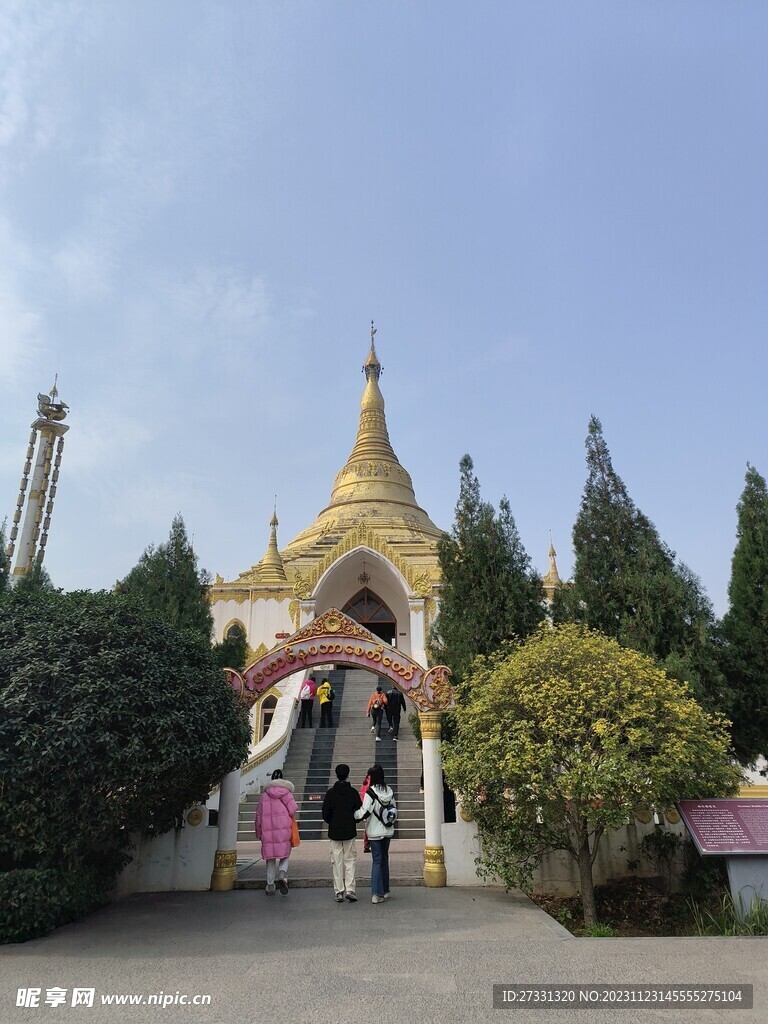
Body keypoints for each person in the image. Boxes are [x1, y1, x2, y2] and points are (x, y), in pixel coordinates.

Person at [354, 763, 396, 904]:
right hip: (387, 830)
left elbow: (365, 811)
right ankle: (385, 890)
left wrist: (354, 815)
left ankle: (376, 894)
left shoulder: (370, 792)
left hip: (374, 831)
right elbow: (394, 808)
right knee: (384, 859)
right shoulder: (389, 791)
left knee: (377, 861)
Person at [321, 763, 362, 902]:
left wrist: (332, 821)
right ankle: (350, 889)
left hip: (334, 831)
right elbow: (359, 811)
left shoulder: (331, 793)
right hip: (349, 831)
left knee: (337, 862)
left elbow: (325, 813)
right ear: (348, 774)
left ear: (336, 774)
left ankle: (339, 891)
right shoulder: (353, 792)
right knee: (350, 861)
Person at [254, 769, 298, 895]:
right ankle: (282, 874)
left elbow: (258, 816)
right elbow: (293, 809)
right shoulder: (287, 793)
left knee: (270, 857)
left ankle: (270, 883)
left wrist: (258, 832)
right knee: (285, 853)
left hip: (267, 830)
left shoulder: (264, 796)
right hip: (284, 828)